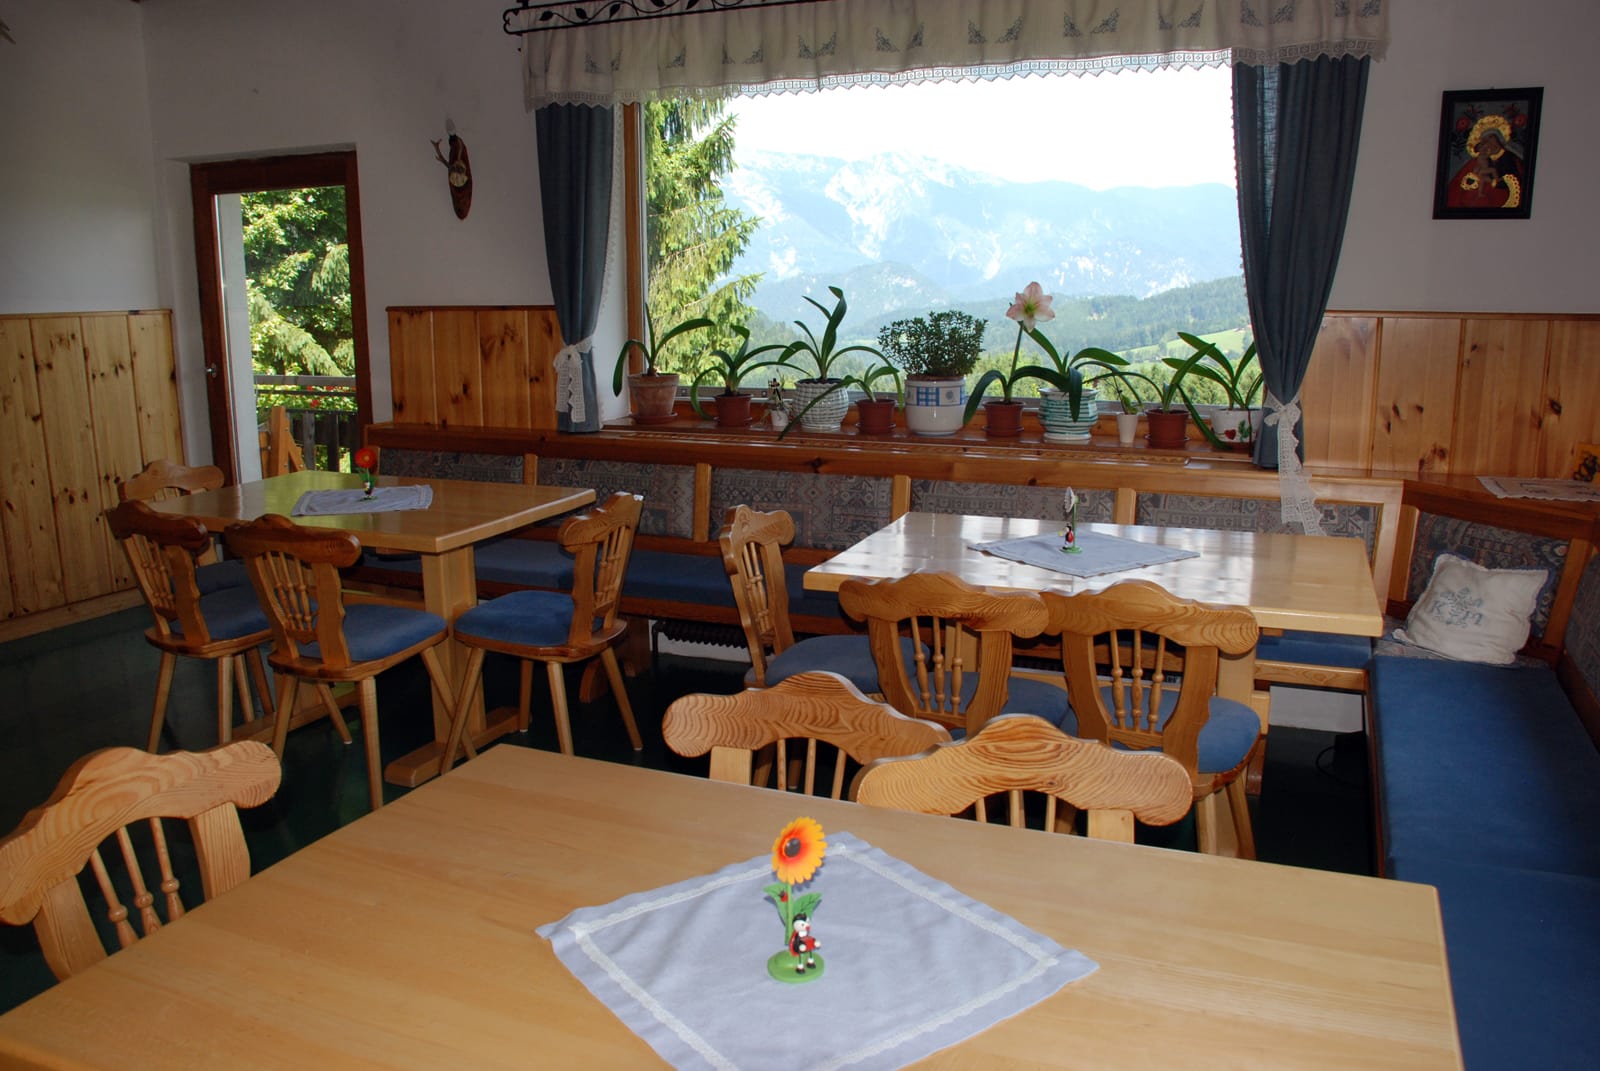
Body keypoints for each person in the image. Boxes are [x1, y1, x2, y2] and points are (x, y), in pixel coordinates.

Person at [1446, 114, 1526, 210]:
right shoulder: (1481, 158)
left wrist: (1495, 183)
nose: (1488, 143)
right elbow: (1461, 181)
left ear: (1499, 139)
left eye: (1491, 138)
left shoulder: (1510, 157)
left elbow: (1516, 178)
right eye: (1485, 141)